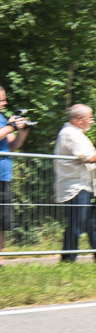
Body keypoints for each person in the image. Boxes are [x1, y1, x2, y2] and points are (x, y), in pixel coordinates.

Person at [54, 104, 96, 263]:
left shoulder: (76, 133)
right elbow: (89, 157)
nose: (92, 121)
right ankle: (68, 259)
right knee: (76, 225)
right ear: (79, 119)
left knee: (92, 223)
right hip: (75, 187)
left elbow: (91, 155)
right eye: (90, 117)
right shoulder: (70, 134)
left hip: (84, 185)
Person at [0, 85, 32, 258]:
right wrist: (11, 126)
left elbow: (13, 146)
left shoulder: (2, 118)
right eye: (1, 100)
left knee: (1, 222)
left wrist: (23, 131)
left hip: (4, 175)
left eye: (4, 99)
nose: (5, 103)